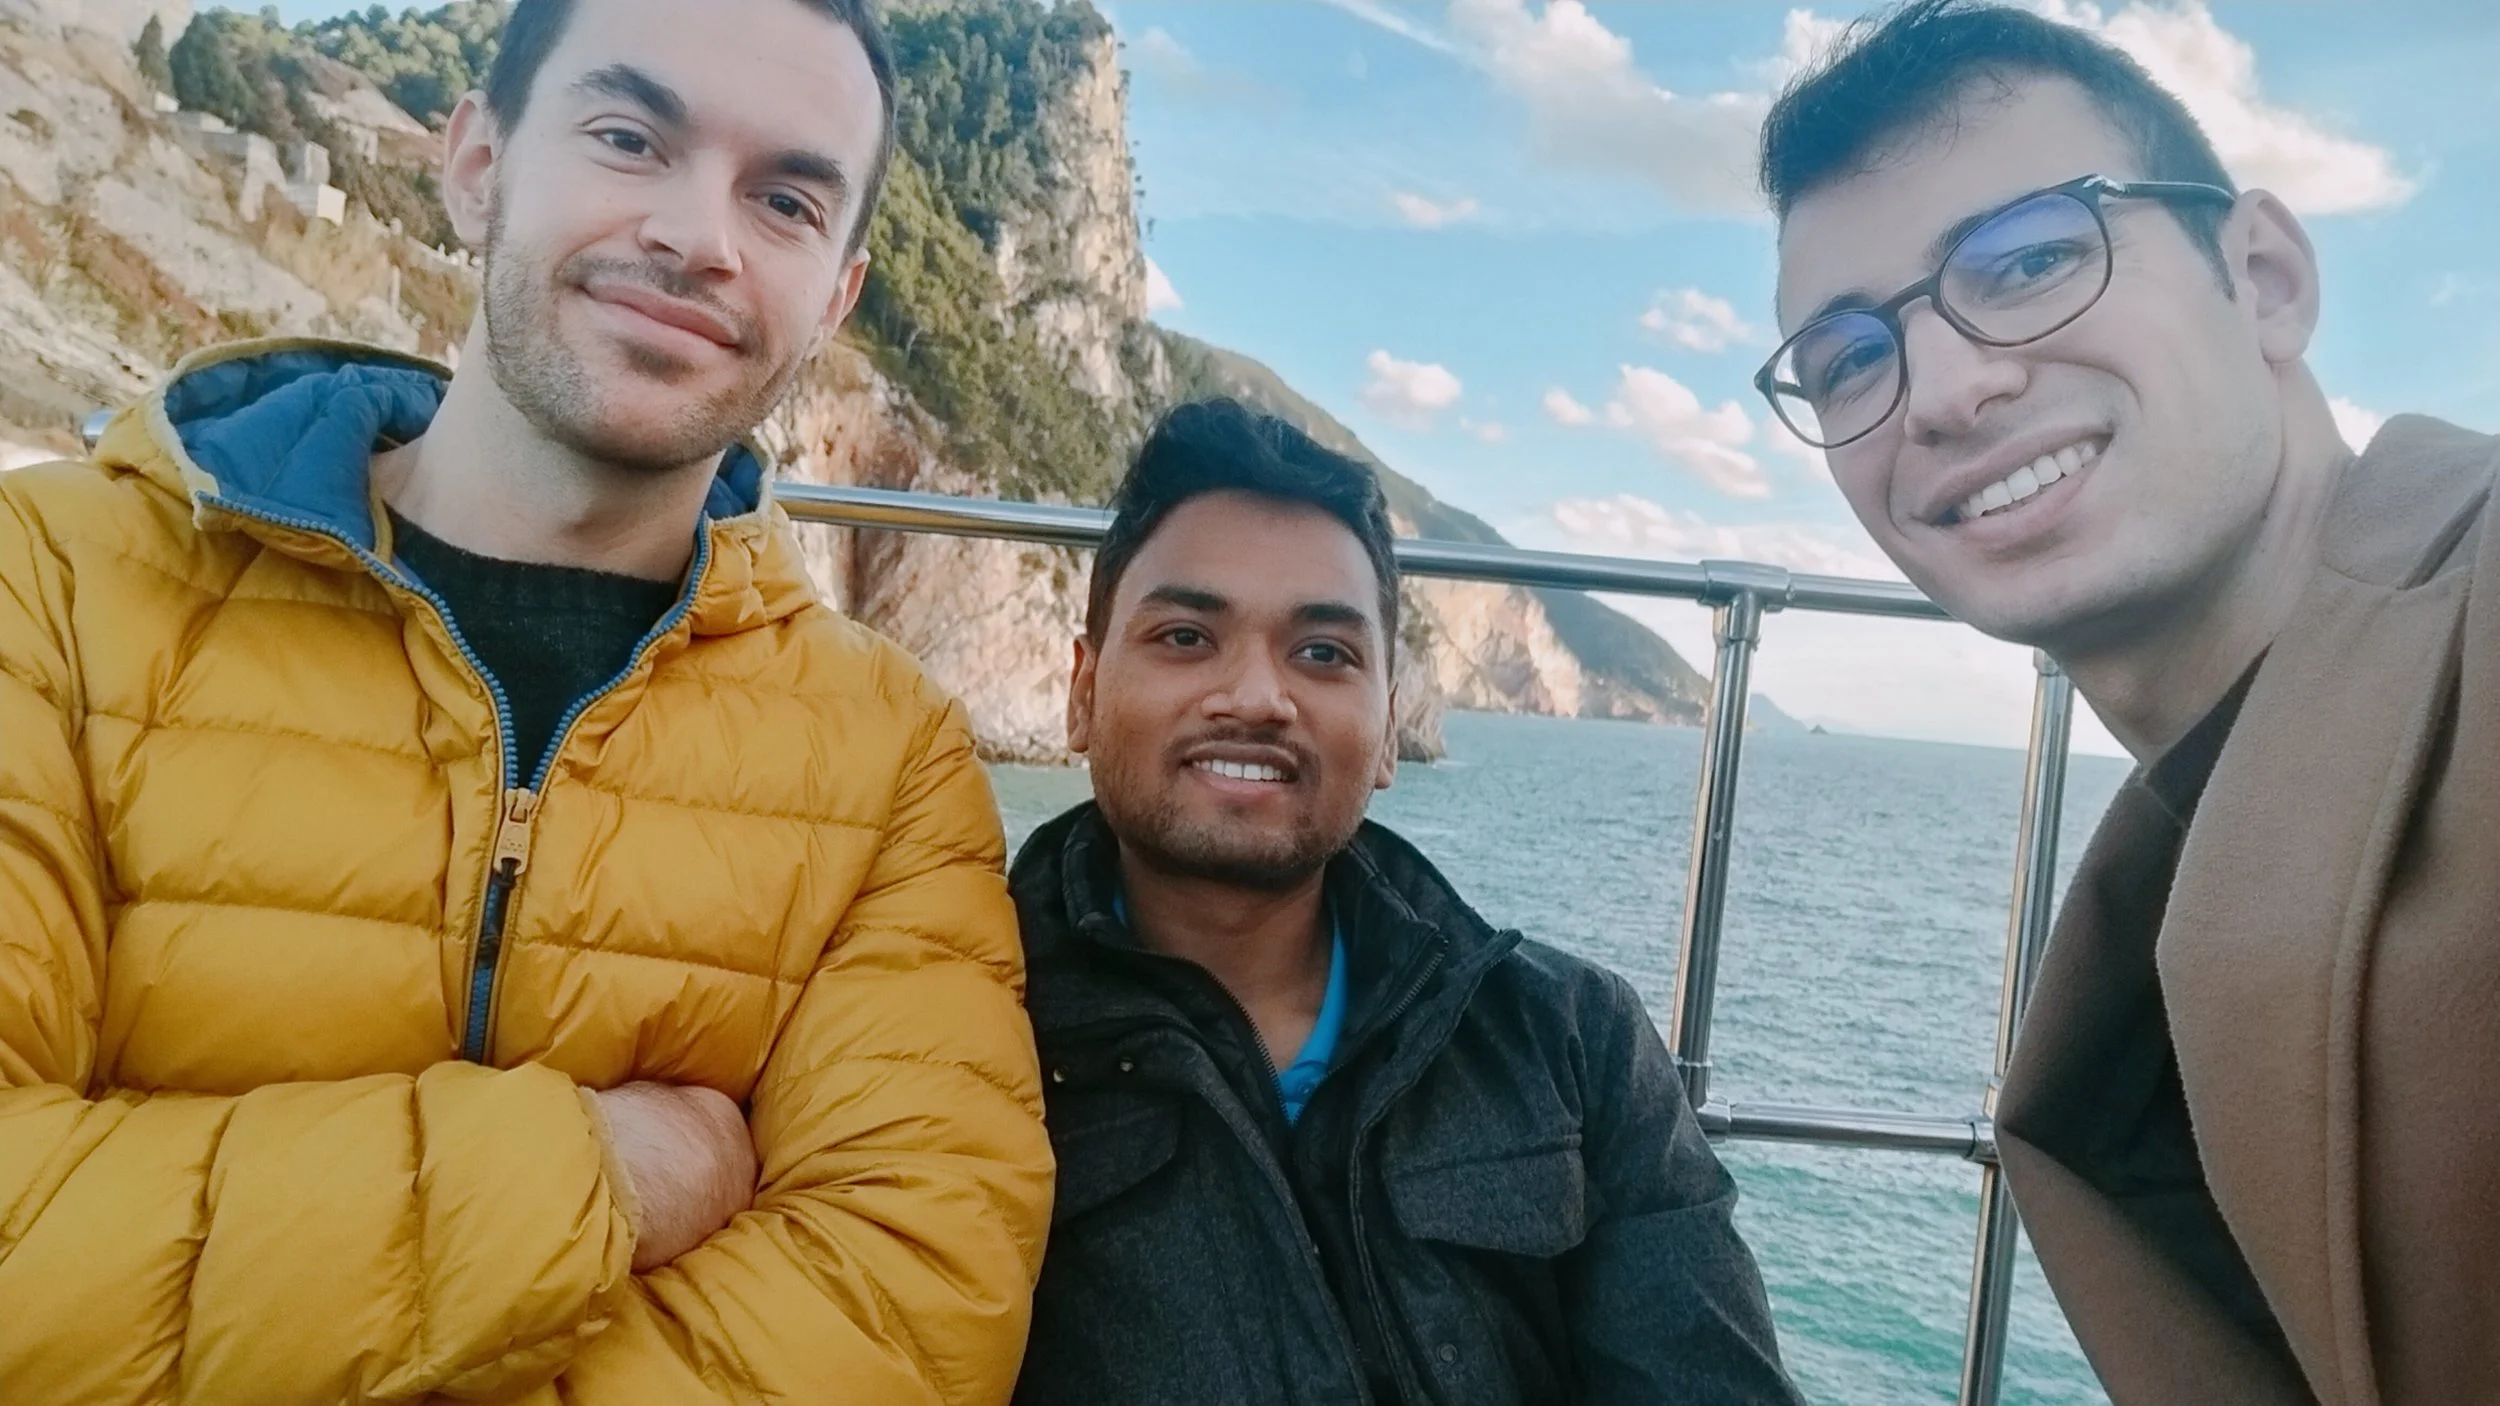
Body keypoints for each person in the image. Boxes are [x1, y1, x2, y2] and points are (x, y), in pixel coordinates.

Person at [0, 0, 1051, 1400]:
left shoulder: (891, 754)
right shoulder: (49, 581)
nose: (699, 236)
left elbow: (907, 1310)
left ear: (835, 296)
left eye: (786, 201)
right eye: (629, 137)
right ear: (478, 162)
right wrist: (608, 1172)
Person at [1758, 2, 2500, 1401]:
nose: (1942, 392)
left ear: (2263, 278)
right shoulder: (2166, 881)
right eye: (1848, 358)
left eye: (2030, 259)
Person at [1006, 397, 1801, 1406]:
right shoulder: (962, 1031)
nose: (1256, 696)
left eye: (1322, 653)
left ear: (1389, 730)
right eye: (1186, 635)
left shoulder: (1571, 1041)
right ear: (1082, 692)